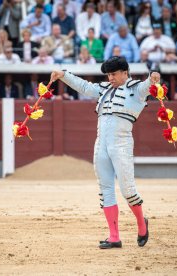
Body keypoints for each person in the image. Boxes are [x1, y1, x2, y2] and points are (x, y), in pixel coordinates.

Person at [49, 56, 160, 249]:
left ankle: (142, 224)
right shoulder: (105, 89)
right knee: (105, 188)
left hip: (121, 144)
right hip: (101, 144)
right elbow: (84, 86)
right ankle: (114, 236)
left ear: (125, 73)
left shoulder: (135, 90)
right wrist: (63, 75)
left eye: (114, 74)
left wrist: (153, 78)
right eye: (108, 74)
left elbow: (146, 85)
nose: (110, 78)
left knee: (128, 189)